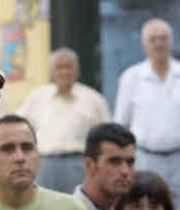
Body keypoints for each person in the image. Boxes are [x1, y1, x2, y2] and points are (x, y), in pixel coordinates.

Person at [114, 18, 180, 210]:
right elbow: (121, 124)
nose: (159, 44)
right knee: (146, 209)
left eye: (163, 39)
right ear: (145, 45)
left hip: (179, 156)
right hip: (145, 157)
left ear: (171, 42)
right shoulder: (131, 78)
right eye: (153, 39)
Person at [17, 47, 110, 193]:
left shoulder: (94, 99)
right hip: (44, 165)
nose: (64, 72)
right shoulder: (37, 97)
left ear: (77, 70)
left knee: (78, 208)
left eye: (69, 66)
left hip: (80, 164)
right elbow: (19, 129)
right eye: (59, 67)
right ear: (52, 72)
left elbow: (107, 137)